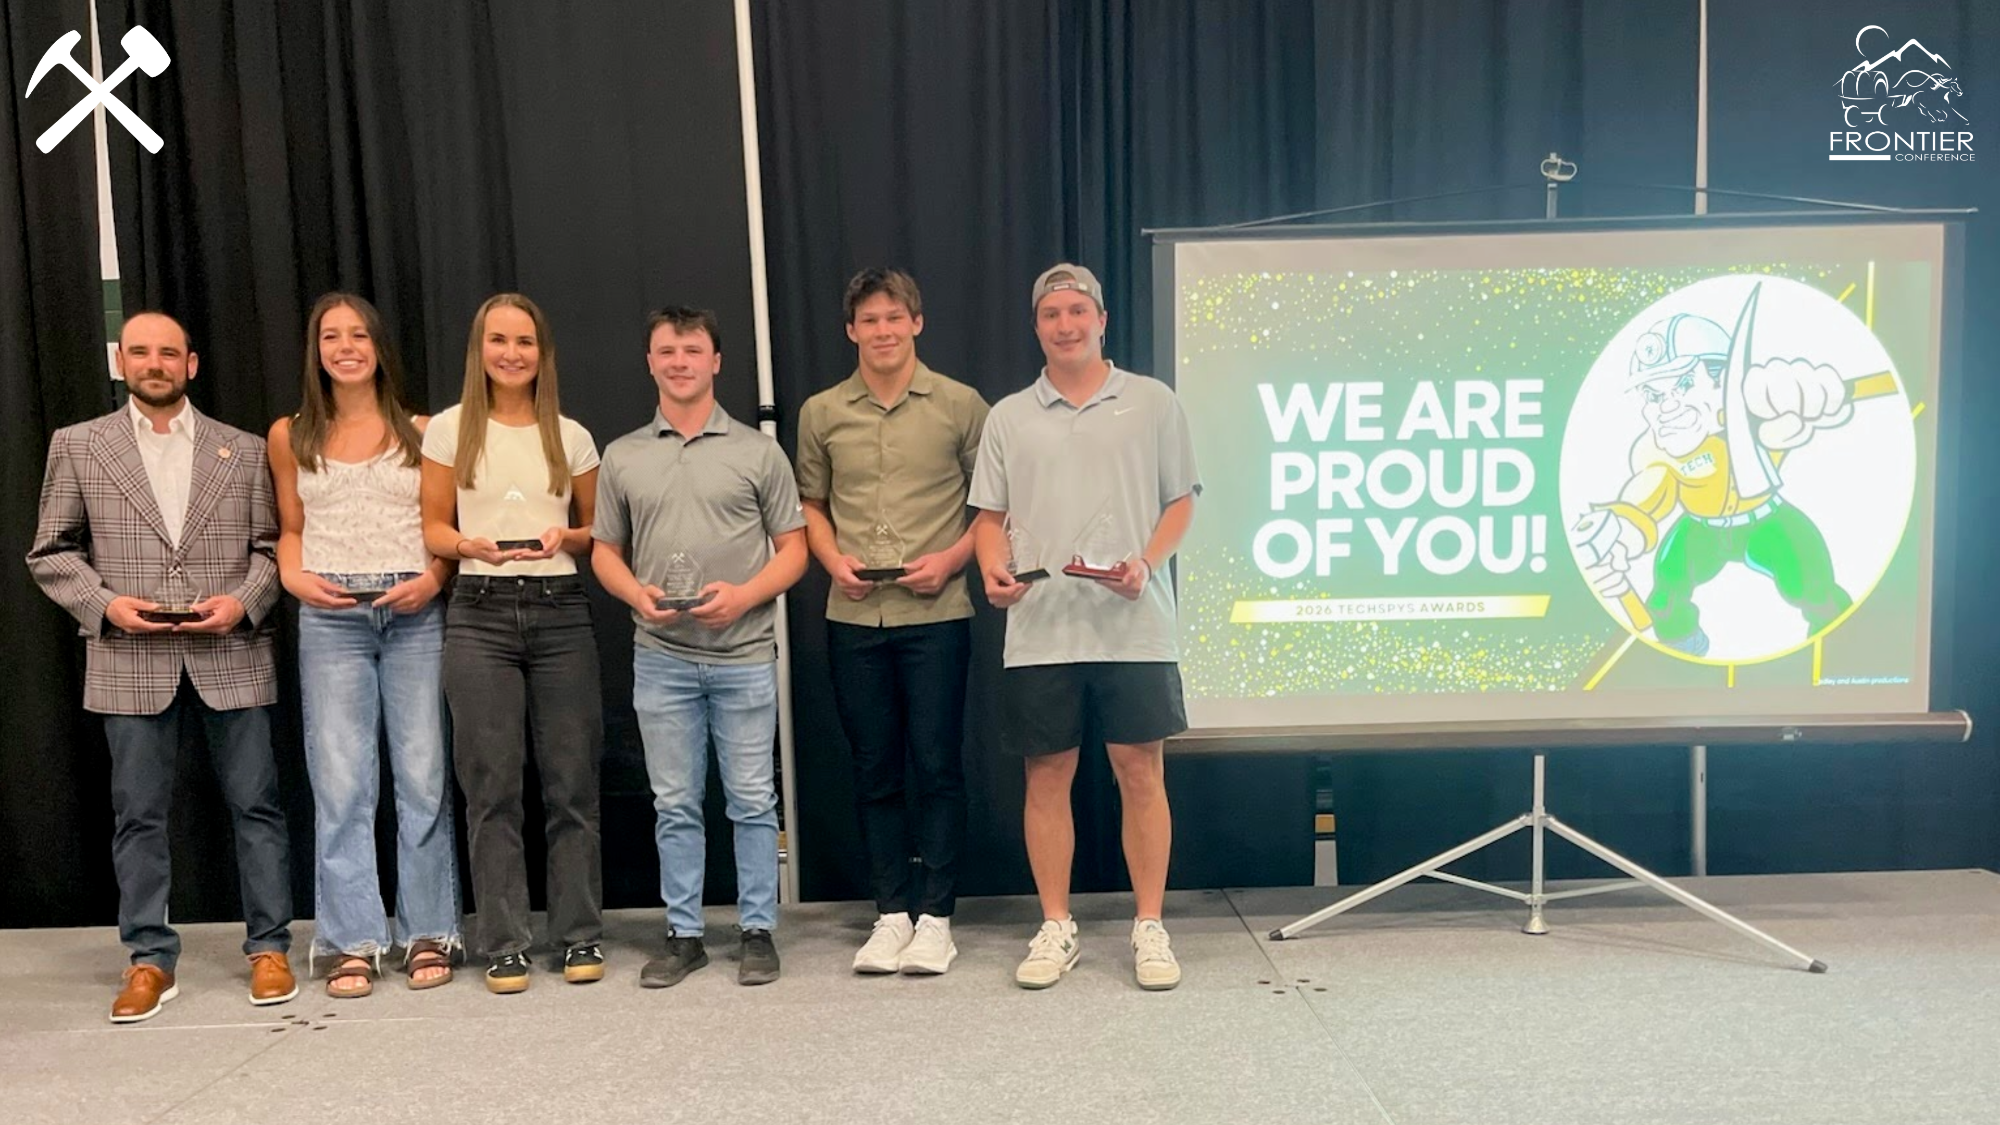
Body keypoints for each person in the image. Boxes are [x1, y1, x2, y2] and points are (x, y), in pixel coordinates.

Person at [27, 311, 297, 1022]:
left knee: (258, 807)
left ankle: (269, 946)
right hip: (129, 658)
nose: (156, 363)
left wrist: (243, 603)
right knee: (138, 814)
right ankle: (148, 955)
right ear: (121, 359)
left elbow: (274, 547)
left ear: (192, 364)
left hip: (231, 653)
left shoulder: (240, 450)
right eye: (142, 351)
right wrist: (106, 603)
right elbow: (49, 550)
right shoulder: (80, 446)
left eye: (169, 353)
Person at [969, 264, 1200, 992]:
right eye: (1050, 314)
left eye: (1077, 311)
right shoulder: (1008, 415)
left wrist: (1147, 561)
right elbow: (988, 520)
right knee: (1047, 775)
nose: (1064, 324)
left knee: (1141, 772)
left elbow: (1181, 502)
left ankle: (1150, 925)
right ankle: (1056, 924)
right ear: (1035, 326)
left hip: (1135, 625)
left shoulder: (1153, 402)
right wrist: (992, 570)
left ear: (1102, 318)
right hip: (1041, 630)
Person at [591, 306, 806, 988]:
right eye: (666, 350)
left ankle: (756, 929)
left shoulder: (756, 451)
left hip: (743, 654)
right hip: (661, 655)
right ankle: (683, 933)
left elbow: (794, 550)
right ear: (649, 362)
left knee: (751, 799)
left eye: (692, 349)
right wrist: (634, 593)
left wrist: (744, 596)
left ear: (716, 361)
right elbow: (604, 552)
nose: (679, 360)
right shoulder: (623, 455)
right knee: (675, 802)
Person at [794, 269, 987, 975]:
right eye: (868, 319)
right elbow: (809, 502)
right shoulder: (821, 411)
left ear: (917, 322)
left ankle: (937, 917)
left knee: (936, 766)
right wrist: (829, 558)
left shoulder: (962, 405)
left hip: (937, 611)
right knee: (874, 768)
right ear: (851, 330)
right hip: (853, 614)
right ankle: (890, 913)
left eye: (893, 317)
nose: (881, 330)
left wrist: (953, 560)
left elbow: (995, 504)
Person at [269, 293, 459, 998]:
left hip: (412, 610)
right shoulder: (290, 435)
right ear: (316, 349)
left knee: (422, 775)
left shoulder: (424, 431)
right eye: (331, 335)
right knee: (343, 782)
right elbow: (289, 526)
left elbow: (447, 526)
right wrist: (294, 577)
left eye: (358, 334)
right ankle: (352, 938)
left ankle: (428, 930)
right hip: (331, 616)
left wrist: (435, 578)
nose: (345, 346)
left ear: (379, 345)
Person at [419, 293, 604, 994]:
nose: (512, 353)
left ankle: (579, 933)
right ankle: (503, 940)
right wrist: (466, 544)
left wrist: (569, 538)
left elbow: (595, 531)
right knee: (491, 785)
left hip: (559, 611)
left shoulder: (571, 434)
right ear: (480, 349)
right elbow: (434, 526)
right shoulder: (448, 430)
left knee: (571, 782)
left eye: (524, 341)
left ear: (541, 351)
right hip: (479, 611)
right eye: (498, 340)